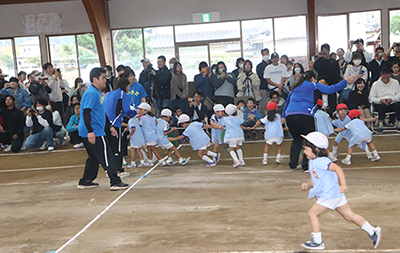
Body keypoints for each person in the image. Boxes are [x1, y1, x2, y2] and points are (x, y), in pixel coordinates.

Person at [300, 131, 382, 250]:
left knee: (312, 213)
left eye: (306, 149)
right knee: (349, 216)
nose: (304, 152)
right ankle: (373, 232)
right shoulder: (313, 161)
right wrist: (308, 184)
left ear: (316, 149)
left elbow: (338, 169)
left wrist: (343, 184)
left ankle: (318, 241)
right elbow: (316, 176)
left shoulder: (322, 161)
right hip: (335, 194)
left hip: (330, 195)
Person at [282, 70, 355, 171]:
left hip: (290, 115)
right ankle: (306, 166)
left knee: (296, 140)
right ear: (312, 78)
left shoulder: (295, 86)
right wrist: (345, 82)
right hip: (304, 115)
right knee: (309, 141)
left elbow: (287, 102)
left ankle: (293, 164)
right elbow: (330, 89)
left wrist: (283, 116)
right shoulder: (312, 85)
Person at [77, 67, 129, 191]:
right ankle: (115, 181)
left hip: (94, 130)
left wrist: (109, 126)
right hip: (94, 131)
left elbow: (101, 112)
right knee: (107, 155)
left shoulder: (95, 92)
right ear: (95, 79)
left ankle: (86, 180)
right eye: (103, 78)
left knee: (94, 157)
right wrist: (90, 131)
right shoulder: (91, 93)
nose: (105, 80)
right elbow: (86, 112)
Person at [103, 77, 137, 177]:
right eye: (128, 86)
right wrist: (135, 112)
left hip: (106, 123)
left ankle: (111, 170)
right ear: (125, 86)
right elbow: (127, 110)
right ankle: (118, 171)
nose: (129, 89)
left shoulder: (109, 93)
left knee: (110, 148)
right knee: (117, 149)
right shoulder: (122, 94)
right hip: (115, 124)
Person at [313, 43, 342, 116]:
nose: (324, 52)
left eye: (326, 50)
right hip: (321, 84)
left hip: (331, 85)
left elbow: (337, 75)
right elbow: (315, 71)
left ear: (329, 51)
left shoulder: (334, 62)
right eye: (323, 51)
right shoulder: (318, 62)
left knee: (332, 102)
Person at [369, 68, 400, 133]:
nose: (385, 76)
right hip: (379, 104)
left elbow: (398, 95)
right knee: (382, 106)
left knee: (399, 105)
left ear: (390, 74)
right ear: (381, 75)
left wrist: (392, 99)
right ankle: (380, 125)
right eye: (383, 74)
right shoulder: (375, 84)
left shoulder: (395, 82)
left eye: (387, 74)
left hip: (392, 103)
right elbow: (371, 98)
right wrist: (380, 100)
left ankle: (399, 124)